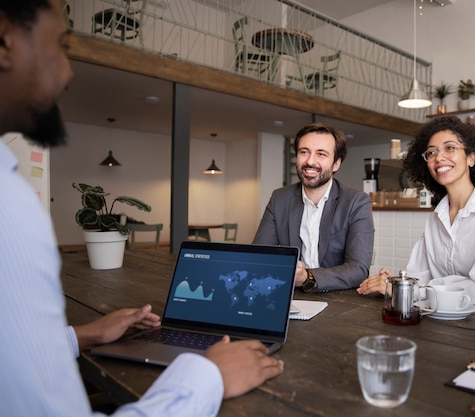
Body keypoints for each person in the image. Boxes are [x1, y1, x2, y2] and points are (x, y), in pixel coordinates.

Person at [0, 2, 283, 416]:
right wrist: (208, 376)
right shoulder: (10, 211)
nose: (70, 70)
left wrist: (79, 335)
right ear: (5, 42)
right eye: (61, 46)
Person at [357, 116, 475, 312]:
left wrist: (418, 289)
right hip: (449, 316)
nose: (439, 157)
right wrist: (399, 284)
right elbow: (419, 276)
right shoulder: (435, 218)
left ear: (471, 158)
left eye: (450, 148)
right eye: (431, 152)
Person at [253, 122, 374, 293]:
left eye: (321, 154)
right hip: (287, 294)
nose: (310, 161)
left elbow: (358, 270)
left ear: (336, 164)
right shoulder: (279, 198)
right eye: (304, 152)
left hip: (337, 299)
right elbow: (259, 256)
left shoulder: (356, 202)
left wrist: (307, 277)